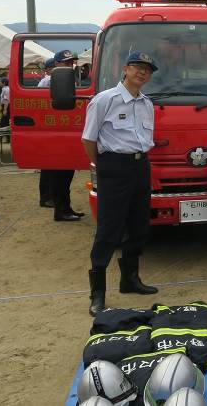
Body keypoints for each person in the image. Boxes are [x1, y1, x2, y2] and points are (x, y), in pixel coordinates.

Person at [82, 52, 160, 317]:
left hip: (141, 165)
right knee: (109, 228)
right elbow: (88, 138)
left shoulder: (147, 103)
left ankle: (130, 280)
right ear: (125, 69)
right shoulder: (105, 100)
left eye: (147, 70)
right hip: (113, 166)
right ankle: (98, 294)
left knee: (139, 225)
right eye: (137, 67)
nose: (142, 73)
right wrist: (102, 167)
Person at [47, 50, 84, 222]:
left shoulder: (70, 80)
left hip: (66, 130)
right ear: (57, 65)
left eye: (72, 63)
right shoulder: (50, 81)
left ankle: (66, 208)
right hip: (55, 131)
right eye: (66, 63)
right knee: (59, 174)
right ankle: (60, 211)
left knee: (66, 174)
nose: (71, 66)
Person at [38, 58, 55, 208]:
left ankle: (49, 196)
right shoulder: (46, 81)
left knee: (52, 165)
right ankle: (45, 197)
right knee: (48, 165)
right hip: (49, 122)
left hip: (53, 122)